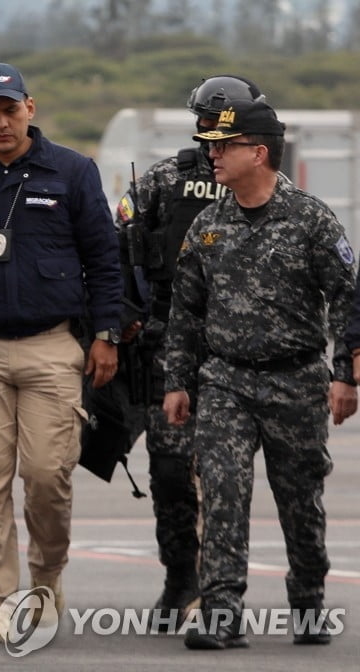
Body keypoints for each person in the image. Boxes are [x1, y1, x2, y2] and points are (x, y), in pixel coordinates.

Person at [0, 63, 123, 643]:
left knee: (46, 476)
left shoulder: (73, 172)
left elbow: (104, 258)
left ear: (30, 109)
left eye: (11, 110)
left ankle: (46, 575)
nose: (1, 122)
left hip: (51, 346)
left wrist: (106, 334)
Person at [163, 99, 357, 650]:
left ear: (259, 152)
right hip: (225, 381)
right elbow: (186, 311)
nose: (213, 154)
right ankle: (221, 612)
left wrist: (345, 374)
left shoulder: (311, 219)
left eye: (225, 146)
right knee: (222, 490)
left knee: (300, 499)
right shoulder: (207, 224)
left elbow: (347, 298)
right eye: (211, 146)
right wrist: (178, 380)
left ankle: (308, 600)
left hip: (296, 381)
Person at [113, 75, 265, 627]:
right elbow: (120, 246)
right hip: (167, 352)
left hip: (238, 355)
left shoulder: (261, 184)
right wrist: (122, 321)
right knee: (172, 474)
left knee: (225, 479)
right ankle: (180, 578)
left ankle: (222, 589)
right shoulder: (164, 180)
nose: (212, 133)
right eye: (204, 121)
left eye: (222, 122)